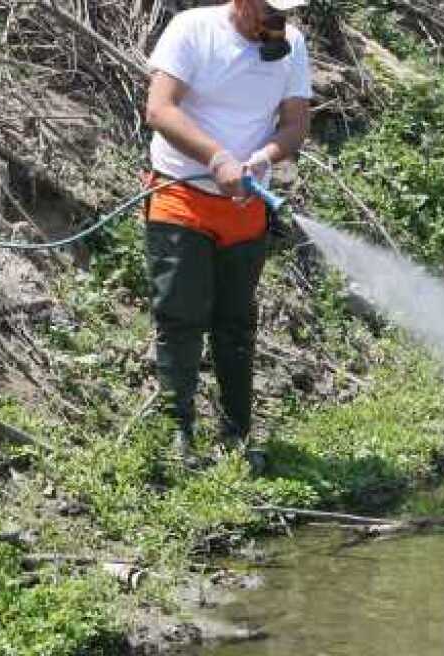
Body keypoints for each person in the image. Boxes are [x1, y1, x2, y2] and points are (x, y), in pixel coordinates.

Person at [143, 0, 311, 463]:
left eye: (286, 11)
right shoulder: (194, 30)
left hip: (246, 207)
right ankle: (178, 433)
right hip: (182, 196)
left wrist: (264, 157)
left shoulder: (291, 44)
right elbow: (160, 108)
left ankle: (236, 433)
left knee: (236, 322)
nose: (279, 21)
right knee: (180, 315)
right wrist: (216, 158)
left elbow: (296, 122)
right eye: (270, 10)